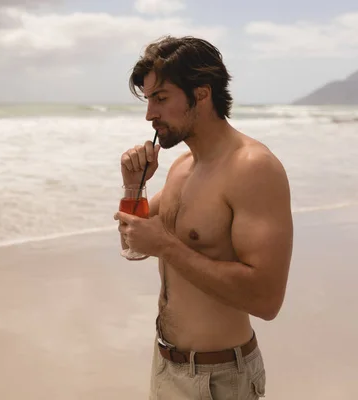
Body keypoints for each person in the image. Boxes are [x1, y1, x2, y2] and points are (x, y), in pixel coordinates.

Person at [114, 36, 294, 399]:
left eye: (161, 98)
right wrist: (133, 188)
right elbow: (133, 245)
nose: (150, 114)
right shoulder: (182, 167)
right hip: (167, 364)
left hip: (219, 378)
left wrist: (167, 246)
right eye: (149, 100)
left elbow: (267, 300)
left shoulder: (252, 168)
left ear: (201, 94)